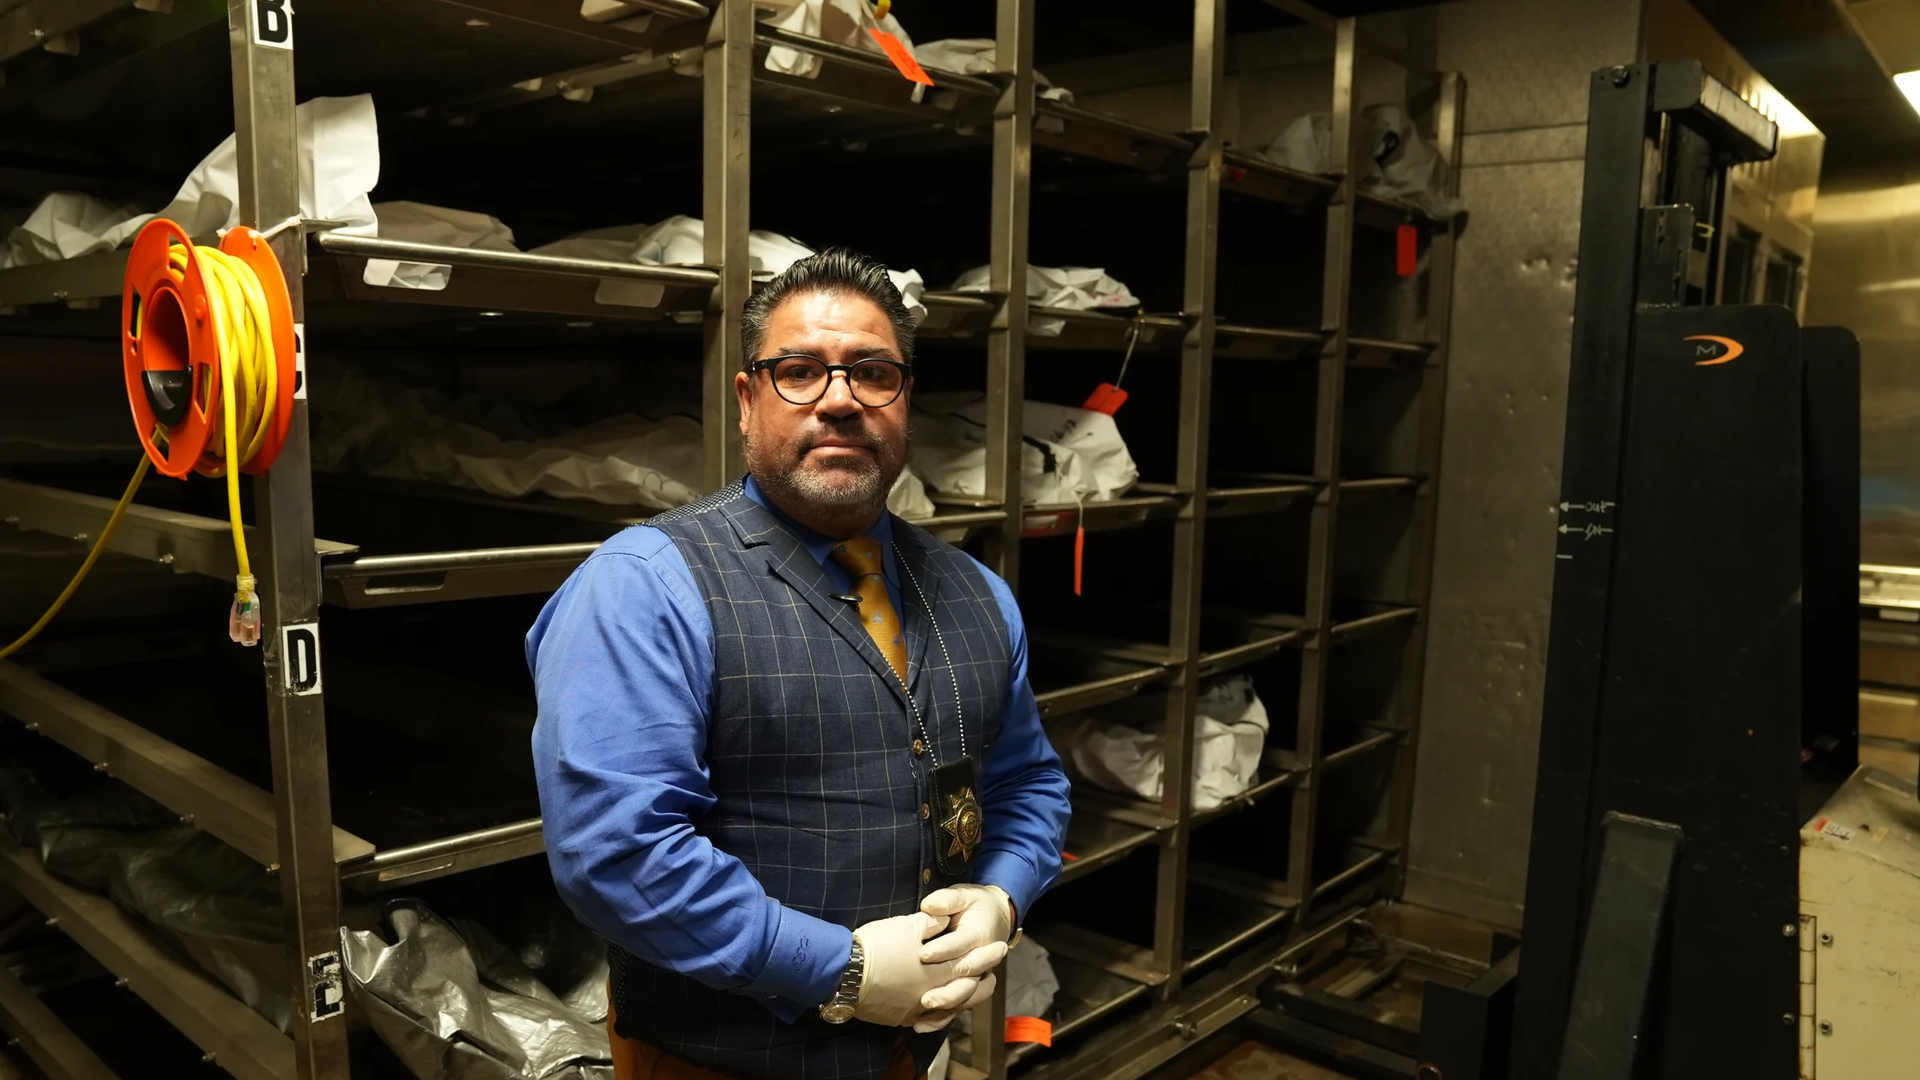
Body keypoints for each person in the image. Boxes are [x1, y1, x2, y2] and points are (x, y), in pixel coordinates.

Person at [528, 247, 1073, 1080]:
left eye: (872, 373)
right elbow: (618, 852)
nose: (840, 400)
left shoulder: (976, 592)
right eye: (799, 371)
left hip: (911, 1051)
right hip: (715, 1062)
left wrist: (1000, 897)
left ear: (905, 399)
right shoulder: (645, 586)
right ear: (748, 401)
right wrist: (842, 971)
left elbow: (1028, 783)